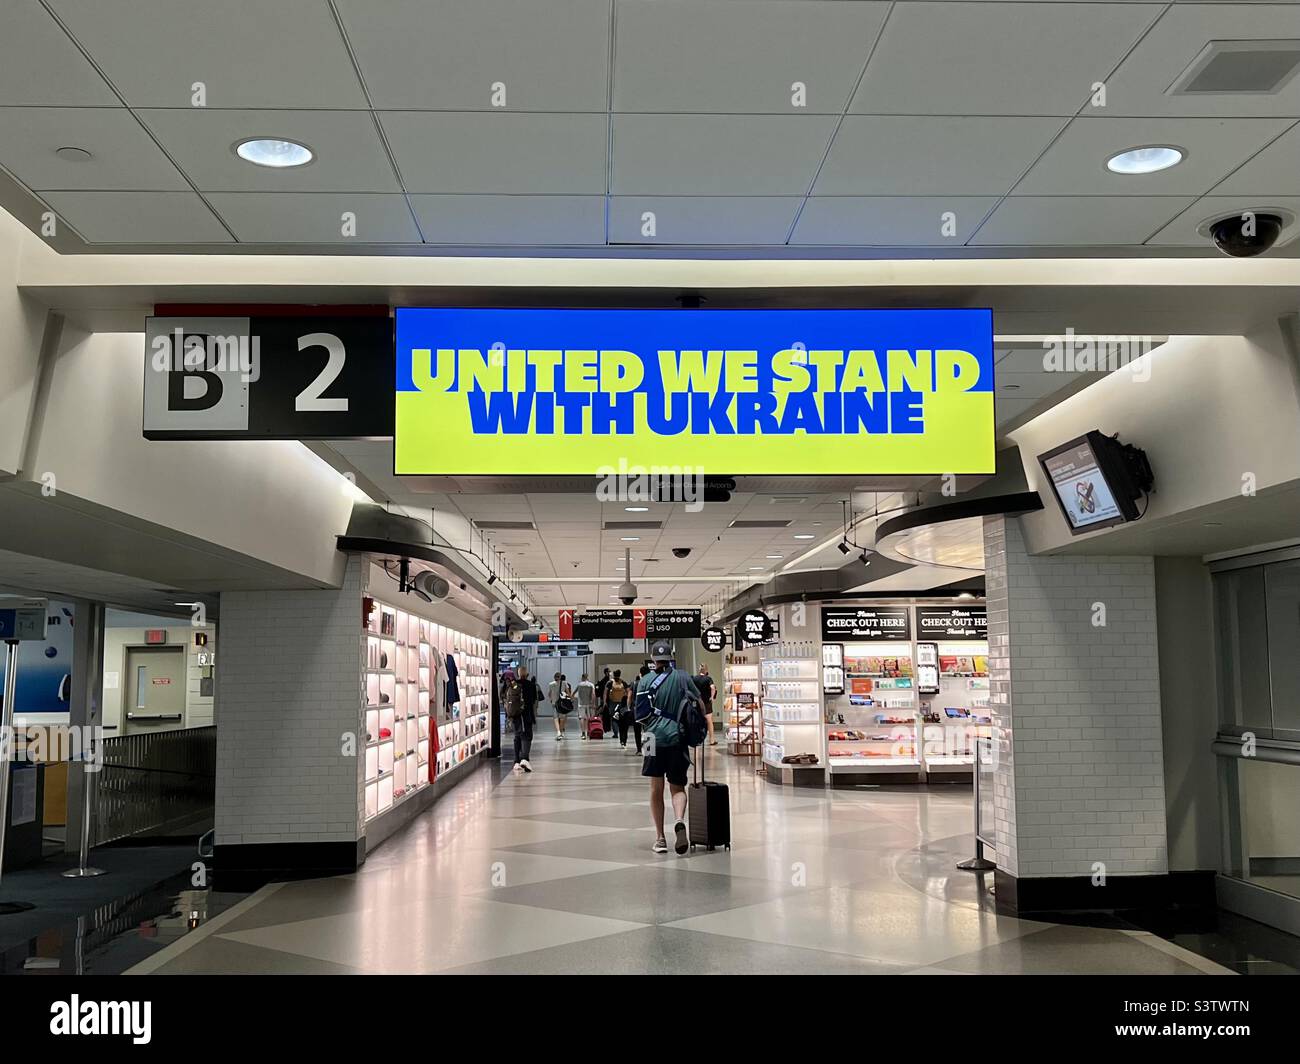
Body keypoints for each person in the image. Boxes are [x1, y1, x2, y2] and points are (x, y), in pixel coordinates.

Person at [636, 641, 705, 855]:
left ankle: (660, 838)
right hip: (678, 737)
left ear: (653, 659)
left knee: (655, 789)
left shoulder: (645, 681)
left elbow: (639, 716)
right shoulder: (683, 677)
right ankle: (678, 820)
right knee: (677, 786)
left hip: (650, 738)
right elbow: (700, 705)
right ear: (670, 656)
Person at [512, 667, 538, 773]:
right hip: (526, 714)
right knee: (527, 736)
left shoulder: (514, 684)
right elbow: (533, 700)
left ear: (518, 674)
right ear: (527, 674)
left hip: (514, 715)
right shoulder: (531, 685)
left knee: (517, 736)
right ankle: (524, 759)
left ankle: (516, 761)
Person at [617, 668, 644, 755]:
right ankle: (649, 749)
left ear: (640, 674)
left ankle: (639, 749)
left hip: (636, 709)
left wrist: (628, 707)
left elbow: (629, 696)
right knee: (648, 729)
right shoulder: (649, 681)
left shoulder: (634, 683)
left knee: (637, 730)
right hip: (647, 709)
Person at [692, 664, 718, 746]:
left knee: (697, 722)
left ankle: (697, 740)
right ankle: (712, 740)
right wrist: (712, 697)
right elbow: (713, 687)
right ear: (706, 670)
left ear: (699, 670)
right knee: (709, 721)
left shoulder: (694, 678)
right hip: (706, 703)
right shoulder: (708, 679)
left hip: (697, 703)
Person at [548, 672, 573, 741]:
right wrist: (571, 698)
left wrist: (551, 699)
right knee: (562, 718)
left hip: (554, 703)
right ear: (560, 677)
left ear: (554, 677)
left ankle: (558, 732)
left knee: (555, 718)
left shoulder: (551, 684)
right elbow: (568, 692)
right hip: (562, 703)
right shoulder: (564, 683)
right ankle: (561, 732)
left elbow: (549, 693)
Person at [605, 669, 628, 739]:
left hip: (612, 702)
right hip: (621, 702)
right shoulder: (623, 682)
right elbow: (628, 691)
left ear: (614, 675)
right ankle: (622, 732)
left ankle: (616, 733)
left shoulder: (610, 682)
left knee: (613, 717)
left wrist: (605, 701)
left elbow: (605, 692)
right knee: (621, 717)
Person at [574, 672, 596, 739]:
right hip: (589, 703)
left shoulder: (579, 685)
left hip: (581, 704)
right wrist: (593, 703)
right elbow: (593, 694)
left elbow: (574, 693)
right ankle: (589, 732)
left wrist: (571, 698)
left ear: (582, 677)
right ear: (587, 677)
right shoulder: (591, 685)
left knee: (581, 718)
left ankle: (583, 733)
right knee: (588, 718)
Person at [595, 667, 612, 733]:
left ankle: (605, 727)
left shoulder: (604, 680)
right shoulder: (607, 681)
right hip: (607, 699)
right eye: (609, 671)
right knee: (606, 714)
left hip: (605, 699)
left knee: (605, 713)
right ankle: (605, 727)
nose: (610, 672)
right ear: (606, 672)